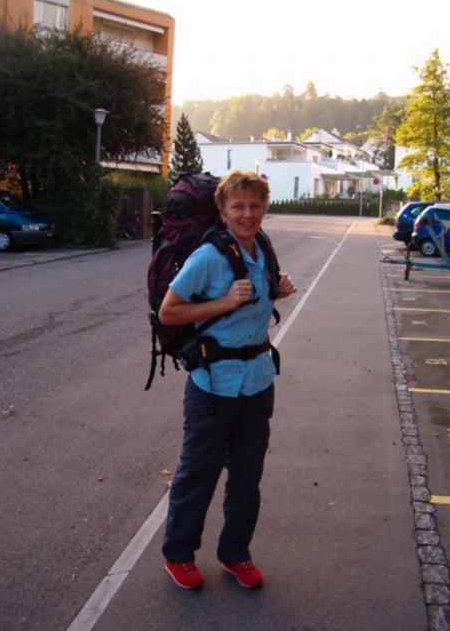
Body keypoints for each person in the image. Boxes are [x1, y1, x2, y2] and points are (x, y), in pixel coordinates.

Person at [159, 169, 297, 590]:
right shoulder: (208, 257)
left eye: (255, 205)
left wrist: (278, 286)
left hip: (257, 380)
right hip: (213, 384)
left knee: (247, 474)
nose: (247, 214)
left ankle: (236, 553)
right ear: (222, 212)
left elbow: (257, 296)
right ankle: (179, 554)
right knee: (199, 471)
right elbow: (168, 311)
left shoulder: (262, 247)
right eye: (238, 206)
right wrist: (222, 303)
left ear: (264, 208)